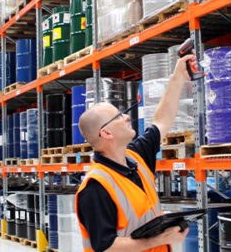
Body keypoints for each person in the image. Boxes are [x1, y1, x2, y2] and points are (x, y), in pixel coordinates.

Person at [75, 53, 197, 252]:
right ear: (106, 133)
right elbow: (106, 246)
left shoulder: (136, 158)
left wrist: (179, 76)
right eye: (118, 116)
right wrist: (157, 240)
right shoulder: (95, 188)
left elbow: (161, 122)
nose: (126, 117)